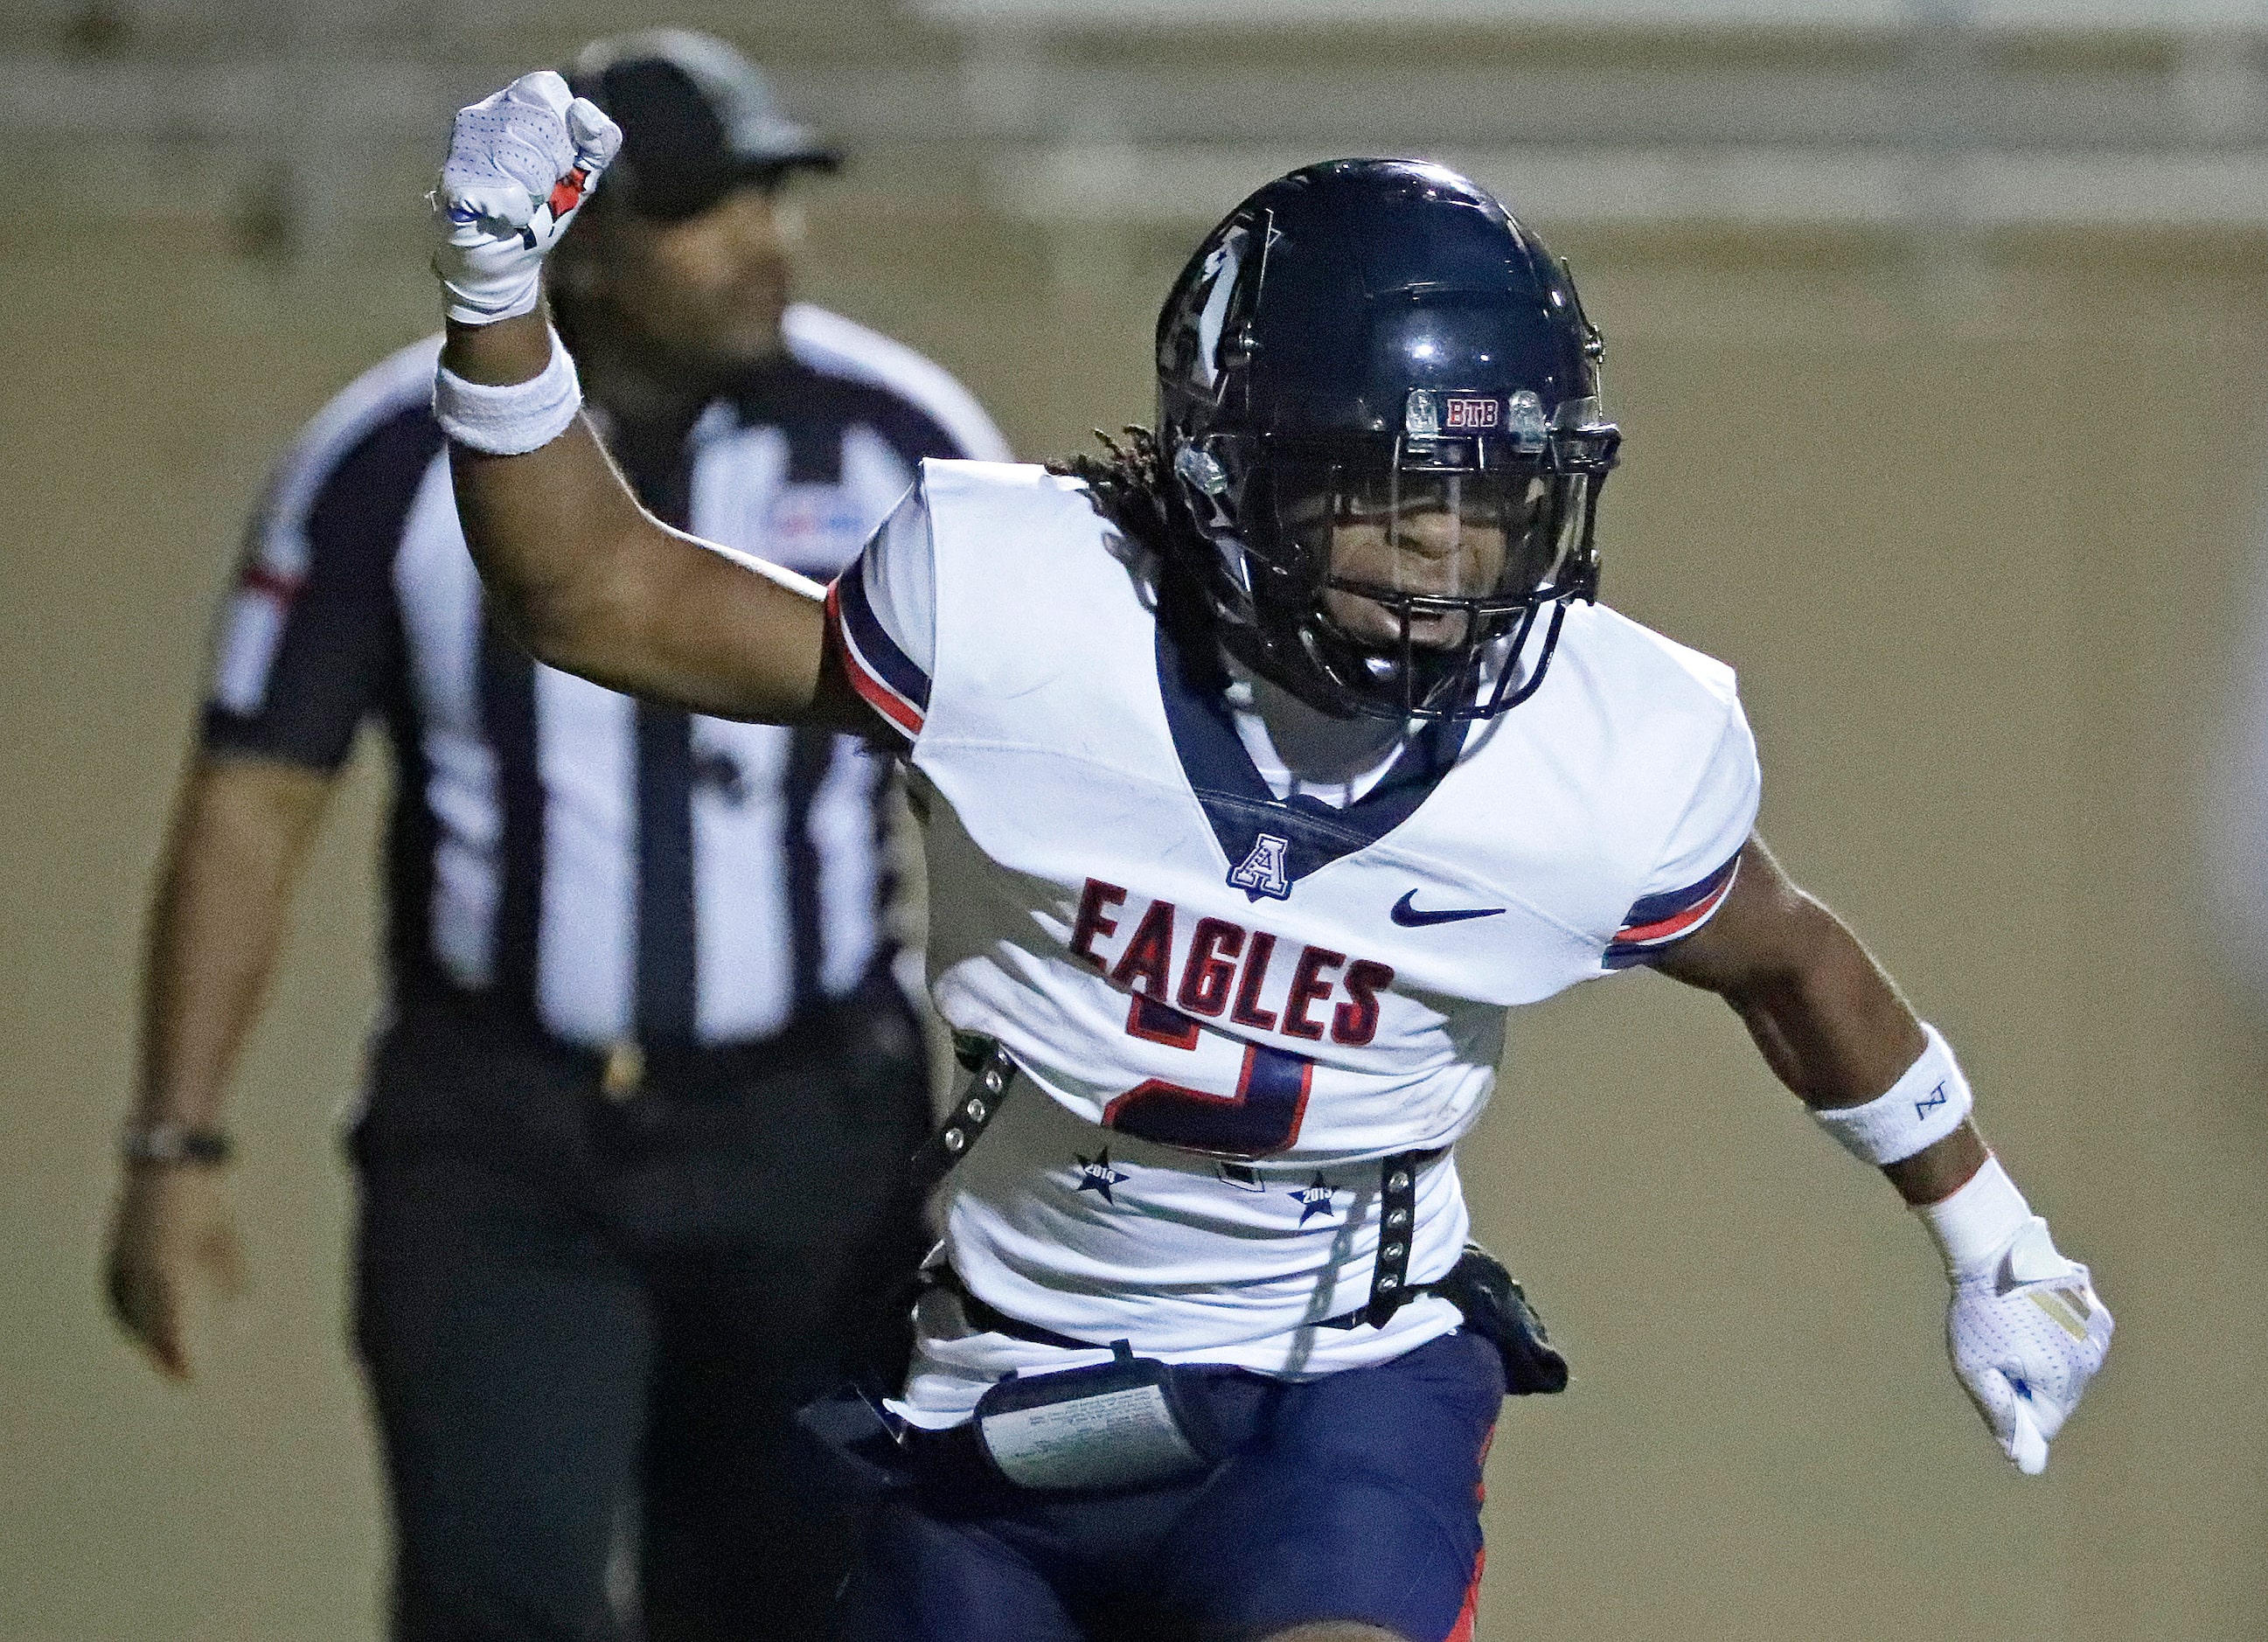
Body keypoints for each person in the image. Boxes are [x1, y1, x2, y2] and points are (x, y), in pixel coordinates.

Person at [414, 73, 2114, 1642]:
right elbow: (599, 595)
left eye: (1492, 498)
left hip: (1335, 1389)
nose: (1445, 551)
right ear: (1232, 473)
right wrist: (497, 299)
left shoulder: (1595, 757)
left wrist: (1998, 1245)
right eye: (1385, 495)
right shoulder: (1024, 622)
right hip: (1000, 1387)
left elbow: (1792, 961)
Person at [102, 32, 1009, 1642]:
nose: (765, 245)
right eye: (709, 212)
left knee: (794, 1598)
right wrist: (176, 1139)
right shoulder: (387, 453)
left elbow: (1014, 792)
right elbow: (257, 790)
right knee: (494, 1593)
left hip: (812, 1126)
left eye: (773, 203)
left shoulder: (893, 435)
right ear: (578, 241)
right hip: (502, 1131)